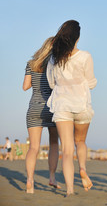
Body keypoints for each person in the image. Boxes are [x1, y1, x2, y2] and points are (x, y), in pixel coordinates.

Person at [47, 20, 97, 196]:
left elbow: (52, 83)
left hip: (61, 105)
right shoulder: (85, 56)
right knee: (80, 142)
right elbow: (91, 83)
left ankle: (69, 190)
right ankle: (82, 169)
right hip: (81, 104)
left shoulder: (54, 58)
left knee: (66, 150)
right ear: (78, 37)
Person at [23, 37, 61, 193]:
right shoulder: (56, 63)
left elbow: (25, 86)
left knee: (33, 147)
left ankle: (30, 181)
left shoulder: (31, 64)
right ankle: (51, 177)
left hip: (34, 108)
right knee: (53, 143)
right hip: (51, 108)